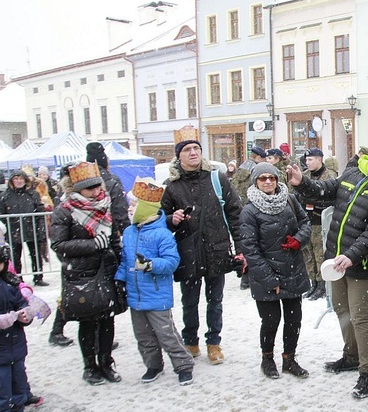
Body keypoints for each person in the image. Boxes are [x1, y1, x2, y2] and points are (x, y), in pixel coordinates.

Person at [288, 130, 368, 399]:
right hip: (334, 259)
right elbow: (325, 192)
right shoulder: (352, 174)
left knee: (359, 315)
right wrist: (302, 182)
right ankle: (350, 355)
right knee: (341, 308)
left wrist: (352, 255)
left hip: (359, 262)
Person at [161, 140, 244, 365]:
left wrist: (240, 248)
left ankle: (214, 342)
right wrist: (172, 219)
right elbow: (160, 219)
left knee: (214, 301)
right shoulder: (171, 185)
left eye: (196, 148)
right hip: (187, 251)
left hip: (216, 248)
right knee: (189, 301)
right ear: (179, 157)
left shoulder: (217, 178)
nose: (193, 153)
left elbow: (235, 213)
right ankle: (191, 341)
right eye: (187, 150)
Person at [115, 178, 195, 386]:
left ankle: (183, 364)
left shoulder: (162, 234)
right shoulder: (129, 232)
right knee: (143, 335)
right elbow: (125, 260)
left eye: (133, 205)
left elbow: (171, 261)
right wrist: (120, 279)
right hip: (135, 294)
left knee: (166, 333)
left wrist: (151, 264)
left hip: (157, 293)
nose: (130, 210)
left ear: (144, 207)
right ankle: (153, 364)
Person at [50, 161, 123, 385]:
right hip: (81, 273)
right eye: (90, 188)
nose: (96, 192)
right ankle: (90, 366)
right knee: (88, 321)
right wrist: (92, 245)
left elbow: (113, 239)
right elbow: (59, 244)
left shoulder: (104, 205)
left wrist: (120, 260)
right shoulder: (65, 210)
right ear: (77, 189)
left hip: (106, 269)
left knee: (108, 319)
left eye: (98, 187)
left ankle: (106, 363)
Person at [239, 163, 311, 379]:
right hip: (265, 276)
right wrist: (270, 280)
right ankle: (267, 358)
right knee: (270, 321)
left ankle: (289, 358)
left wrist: (298, 240)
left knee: (293, 319)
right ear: (256, 182)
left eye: (272, 177)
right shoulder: (249, 211)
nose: (268, 181)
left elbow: (305, 223)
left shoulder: (290, 199)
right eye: (263, 178)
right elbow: (250, 250)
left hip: (292, 269)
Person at [0, 246, 42, 412]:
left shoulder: (9, 283)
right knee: (2, 398)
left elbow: (22, 303)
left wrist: (27, 313)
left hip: (16, 349)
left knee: (18, 392)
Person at [295, 148, 335, 301]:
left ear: (319, 159)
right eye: (307, 160)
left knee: (320, 253)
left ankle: (322, 284)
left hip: (321, 220)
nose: (307, 162)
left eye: (310, 160)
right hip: (306, 220)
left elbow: (330, 198)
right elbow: (297, 194)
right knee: (308, 253)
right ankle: (314, 281)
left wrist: (312, 201)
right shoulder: (304, 176)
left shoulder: (329, 176)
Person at [0, 169, 48, 286]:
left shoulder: (33, 194)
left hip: (31, 228)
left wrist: (41, 228)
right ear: (11, 181)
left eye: (21, 178)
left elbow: (40, 212)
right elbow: (1, 214)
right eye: (16, 179)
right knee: (15, 257)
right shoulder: (5, 196)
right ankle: (18, 277)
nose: (18, 181)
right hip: (13, 230)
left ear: (25, 180)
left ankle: (38, 277)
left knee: (35, 254)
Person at [232, 146, 267, 291]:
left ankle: (244, 277)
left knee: (245, 244)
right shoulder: (256, 171)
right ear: (258, 157)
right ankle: (252, 278)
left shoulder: (240, 169)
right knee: (257, 245)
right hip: (254, 210)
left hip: (239, 211)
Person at [86, 142, 130, 236]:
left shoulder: (81, 181)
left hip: (86, 232)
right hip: (109, 232)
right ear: (106, 163)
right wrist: (126, 233)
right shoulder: (112, 181)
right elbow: (120, 211)